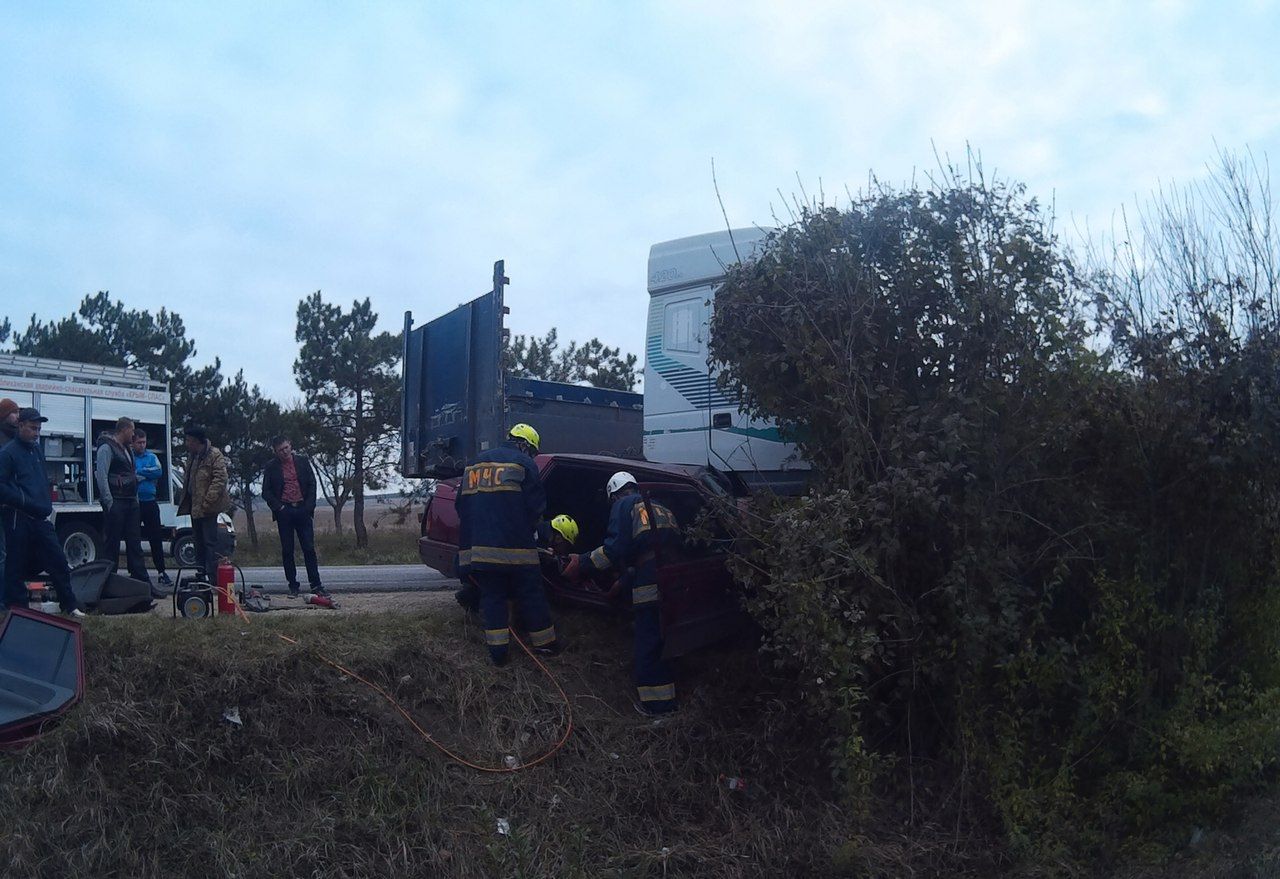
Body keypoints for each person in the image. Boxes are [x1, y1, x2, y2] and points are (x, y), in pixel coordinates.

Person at [568, 470, 680, 715]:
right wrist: (625, 581)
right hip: (673, 580)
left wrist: (582, 562)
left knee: (647, 643)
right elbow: (651, 551)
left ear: (614, 495)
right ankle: (669, 702)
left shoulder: (624, 505)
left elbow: (613, 551)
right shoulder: (657, 505)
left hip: (649, 586)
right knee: (664, 642)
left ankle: (655, 707)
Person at [455, 423, 559, 664]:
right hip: (517, 551)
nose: (531, 455)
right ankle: (545, 646)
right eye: (532, 450)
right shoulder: (524, 464)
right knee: (531, 594)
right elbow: (536, 508)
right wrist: (535, 534)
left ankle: (499, 654)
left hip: (480, 551)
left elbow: (461, 506)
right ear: (525, 444)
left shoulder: (474, 464)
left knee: (492, 597)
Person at [0, 408, 85, 616]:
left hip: (40, 516)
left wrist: (45, 503)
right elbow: (1, 486)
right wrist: (23, 501)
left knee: (57, 560)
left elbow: (40, 480)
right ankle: (18, 610)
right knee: (15, 566)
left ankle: (70, 605)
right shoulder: (7, 454)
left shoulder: (37, 451)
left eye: (38, 429)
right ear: (20, 426)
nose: (36, 433)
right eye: (32, 428)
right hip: (17, 517)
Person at [260, 435, 325, 598]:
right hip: (285, 512)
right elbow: (266, 492)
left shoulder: (303, 461)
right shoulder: (271, 467)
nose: (284, 452)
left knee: (309, 548)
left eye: (286, 448)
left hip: (303, 509)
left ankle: (316, 585)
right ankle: (293, 585)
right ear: (276, 452)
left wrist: (309, 506)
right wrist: (279, 508)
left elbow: (312, 484)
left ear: (290, 445)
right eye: (280, 450)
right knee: (288, 550)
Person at [95, 417, 153, 589]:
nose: (134, 434)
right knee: (111, 545)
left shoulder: (127, 449)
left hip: (130, 502)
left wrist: (135, 498)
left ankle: (142, 584)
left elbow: (131, 474)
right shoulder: (106, 447)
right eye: (132, 430)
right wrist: (109, 502)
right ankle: (108, 584)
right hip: (117, 501)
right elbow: (102, 475)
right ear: (124, 430)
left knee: (135, 544)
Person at [176, 424, 231, 584]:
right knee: (198, 542)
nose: (187, 443)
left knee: (210, 543)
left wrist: (208, 502)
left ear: (196, 441)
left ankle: (214, 579)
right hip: (195, 508)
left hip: (208, 508)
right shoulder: (191, 457)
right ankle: (201, 575)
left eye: (189, 440)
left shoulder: (214, 455)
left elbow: (220, 479)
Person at [131, 428, 171, 591]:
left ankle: (162, 571)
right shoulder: (130, 457)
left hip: (150, 502)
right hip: (135, 503)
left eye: (144, 442)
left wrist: (141, 473)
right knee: (134, 539)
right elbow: (130, 474)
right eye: (139, 442)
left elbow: (158, 472)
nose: (142, 445)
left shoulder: (151, 457)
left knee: (155, 538)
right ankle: (136, 572)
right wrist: (144, 474)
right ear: (133, 443)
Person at [0, 398, 19, 607]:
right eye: (14, 413)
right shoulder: (4, 443)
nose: (18, 416)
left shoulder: (15, 441)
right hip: (3, 505)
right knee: (2, 556)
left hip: (12, 506)